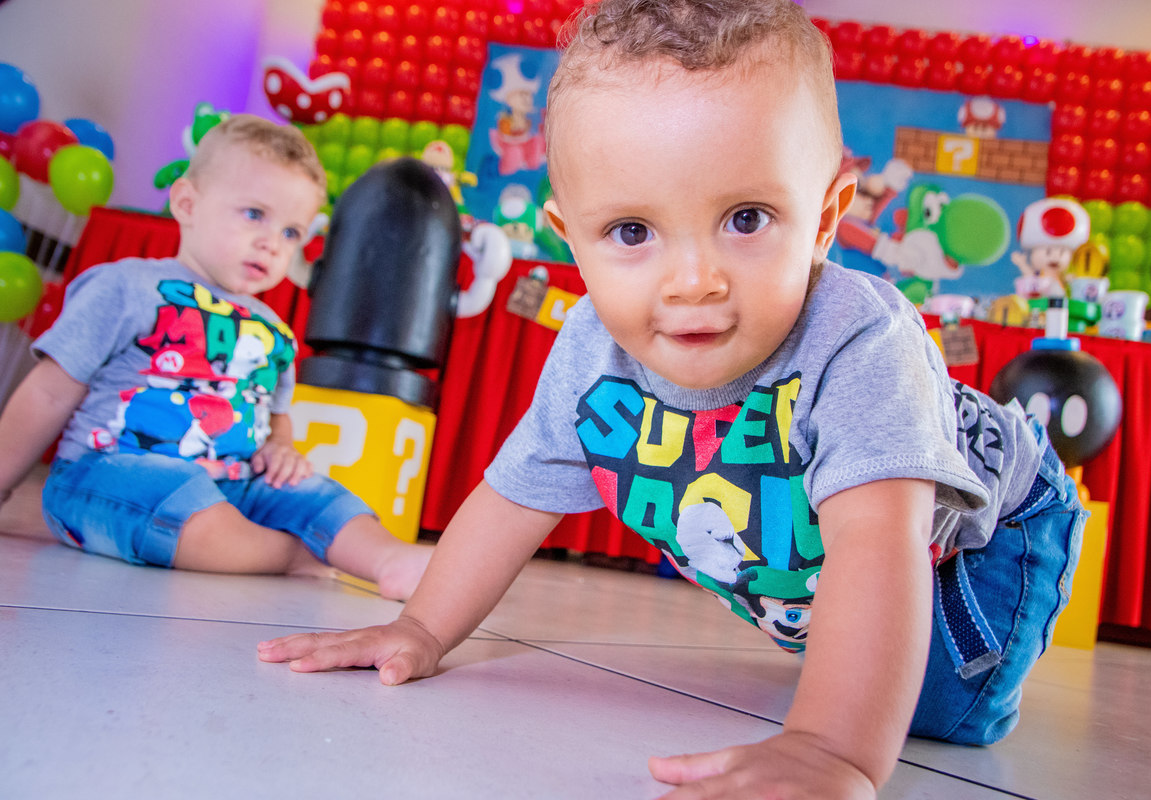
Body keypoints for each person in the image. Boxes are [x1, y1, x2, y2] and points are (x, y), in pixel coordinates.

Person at [258, 2, 1085, 797]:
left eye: (748, 218)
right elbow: (510, 500)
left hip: (979, 538)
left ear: (828, 215)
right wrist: (422, 629)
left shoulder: (862, 343)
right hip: (838, 556)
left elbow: (878, 550)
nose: (693, 282)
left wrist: (830, 748)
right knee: (843, 643)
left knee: (940, 716)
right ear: (568, 236)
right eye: (630, 233)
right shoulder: (589, 350)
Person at [0, 115, 429, 600]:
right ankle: (291, 554)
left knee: (319, 494)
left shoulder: (275, 331)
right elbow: (50, 391)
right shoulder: (128, 285)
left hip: (234, 484)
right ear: (187, 203)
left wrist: (280, 449)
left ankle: (389, 559)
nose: (272, 242)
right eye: (254, 214)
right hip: (109, 475)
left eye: (292, 232)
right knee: (185, 502)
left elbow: (276, 417)